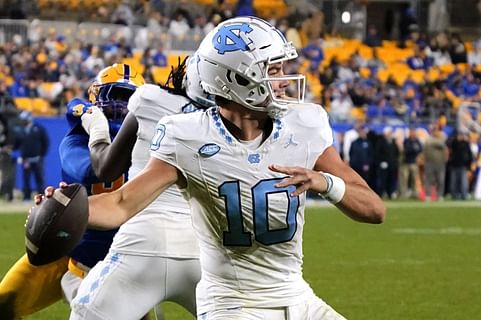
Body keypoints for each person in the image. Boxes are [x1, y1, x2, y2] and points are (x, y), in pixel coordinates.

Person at [43, 17, 385, 320]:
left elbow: (374, 210)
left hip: (298, 296)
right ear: (238, 78)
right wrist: (64, 205)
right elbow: (122, 204)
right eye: (274, 70)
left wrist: (324, 182)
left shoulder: (305, 125)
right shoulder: (188, 135)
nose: (285, 80)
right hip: (233, 304)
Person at [70, 56, 214, 319]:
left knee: (86, 313)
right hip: (205, 251)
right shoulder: (230, 124)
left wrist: (99, 132)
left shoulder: (150, 100)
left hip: (140, 243)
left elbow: (105, 169)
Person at [0, 63, 144, 319]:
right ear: (97, 97)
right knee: (3, 303)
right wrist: (55, 203)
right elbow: (94, 170)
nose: (121, 106)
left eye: (129, 98)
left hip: (124, 258)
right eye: (116, 96)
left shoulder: (153, 146)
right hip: (69, 243)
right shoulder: (77, 139)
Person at [15, 110, 50, 200]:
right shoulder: (21, 130)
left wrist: (42, 154)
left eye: (24, 119)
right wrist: (22, 156)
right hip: (26, 159)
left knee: (39, 178)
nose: (22, 121)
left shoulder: (38, 128)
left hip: (37, 158)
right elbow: (19, 144)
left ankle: (41, 196)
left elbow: (45, 142)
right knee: (26, 179)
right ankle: (26, 196)